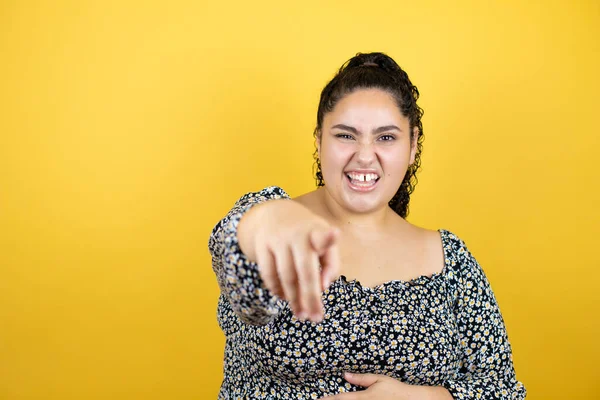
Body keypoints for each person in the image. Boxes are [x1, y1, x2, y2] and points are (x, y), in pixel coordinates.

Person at [208, 52, 526, 399]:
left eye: (386, 137)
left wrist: (426, 397)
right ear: (318, 141)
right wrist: (266, 219)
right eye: (346, 136)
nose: (363, 155)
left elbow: (504, 390)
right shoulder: (275, 223)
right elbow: (233, 251)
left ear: (413, 146)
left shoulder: (449, 259)